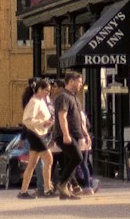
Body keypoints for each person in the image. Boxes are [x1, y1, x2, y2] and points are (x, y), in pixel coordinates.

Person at [18, 78, 54, 199]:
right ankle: (47, 189)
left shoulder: (41, 101)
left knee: (32, 163)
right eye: (46, 90)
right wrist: (43, 123)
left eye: (49, 91)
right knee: (49, 159)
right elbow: (27, 120)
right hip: (35, 134)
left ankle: (23, 191)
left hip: (40, 134)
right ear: (39, 89)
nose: (47, 93)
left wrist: (47, 123)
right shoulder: (34, 102)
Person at [52, 70, 85, 199]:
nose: (81, 84)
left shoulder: (74, 97)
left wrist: (82, 134)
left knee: (68, 162)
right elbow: (62, 116)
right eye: (79, 81)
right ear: (71, 81)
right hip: (64, 134)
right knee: (78, 158)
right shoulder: (63, 97)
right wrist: (66, 134)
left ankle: (65, 193)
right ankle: (62, 183)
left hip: (74, 134)